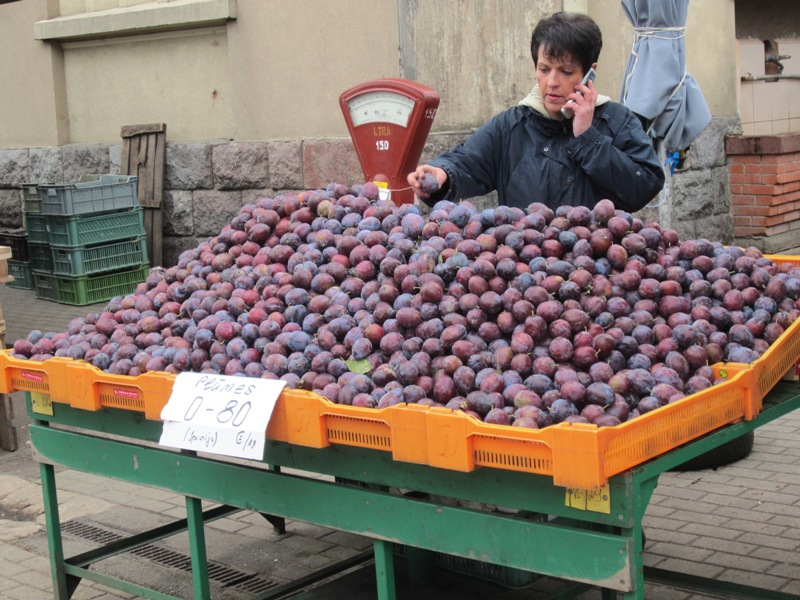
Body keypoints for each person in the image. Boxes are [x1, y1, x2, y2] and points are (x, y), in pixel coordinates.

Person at [407, 11, 665, 213]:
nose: (552, 82)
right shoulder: (512, 125)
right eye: (544, 69)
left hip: (595, 273)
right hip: (527, 273)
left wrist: (588, 139)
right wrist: (442, 174)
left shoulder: (617, 121)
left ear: (589, 72)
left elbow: (644, 187)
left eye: (565, 72)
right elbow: (466, 161)